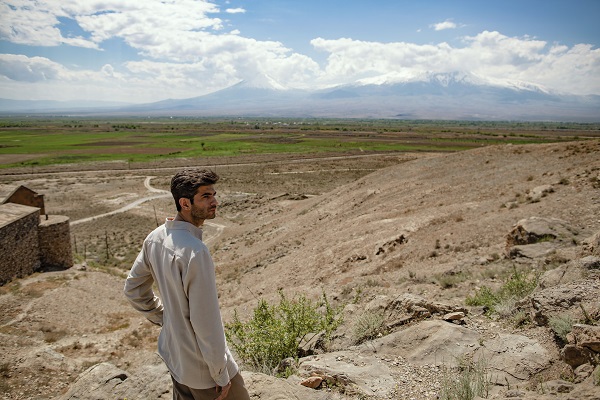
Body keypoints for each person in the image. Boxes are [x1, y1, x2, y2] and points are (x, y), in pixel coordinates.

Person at [124, 168, 250, 400]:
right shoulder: (195, 252)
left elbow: (133, 289)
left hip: (177, 362)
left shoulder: (155, 238)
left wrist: (166, 318)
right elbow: (205, 323)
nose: (215, 202)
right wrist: (221, 374)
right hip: (205, 372)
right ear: (185, 203)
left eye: (213, 195)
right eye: (206, 196)